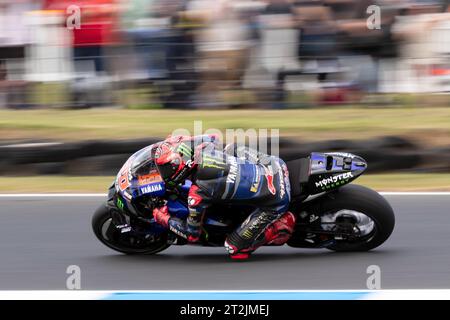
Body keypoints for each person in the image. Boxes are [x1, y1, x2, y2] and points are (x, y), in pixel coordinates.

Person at [152, 134, 296, 260]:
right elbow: (214, 136)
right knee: (229, 148)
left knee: (234, 248)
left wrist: (164, 219)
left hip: (276, 197)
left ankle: (280, 225)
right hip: (275, 165)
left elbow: (192, 235)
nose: (164, 173)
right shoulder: (204, 145)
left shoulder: (198, 193)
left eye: (166, 168)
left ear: (180, 166)